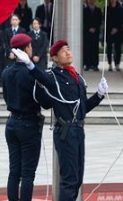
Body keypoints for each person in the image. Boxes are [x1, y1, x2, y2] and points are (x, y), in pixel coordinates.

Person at [11, 40, 107, 201]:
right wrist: (30, 65)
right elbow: (42, 78)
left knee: (77, 179)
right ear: (55, 58)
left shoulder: (77, 77)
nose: (68, 53)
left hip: (78, 130)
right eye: (63, 51)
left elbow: (82, 108)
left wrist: (99, 95)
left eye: (68, 49)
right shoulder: (53, 76)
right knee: (69, 180)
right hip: (65, 131)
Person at [2, 33, 44, 201]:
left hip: (12, 122)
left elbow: (6, 97)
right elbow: (45, 101)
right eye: (30, 46)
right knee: (27, 174)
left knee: (14, 172)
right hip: (28, 124)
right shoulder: (30, 73)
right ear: (26, 49)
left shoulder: (6, 72)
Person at [82, 0, 102, 71]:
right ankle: (87, 64)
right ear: (88, 0)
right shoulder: (84, 10)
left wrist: (95, 28)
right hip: (87, 32)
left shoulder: (98, 10)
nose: (91, 0)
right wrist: (89, 28)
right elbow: (83, 21)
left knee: (95, 49)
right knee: (87, 48)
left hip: (95, 32)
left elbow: (100, 21)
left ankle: (95, 65)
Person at [104, 0, 123, 72]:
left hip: (118, 31)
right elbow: (105, 21)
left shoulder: (120, 9)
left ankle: (117, 64)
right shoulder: (107, 9)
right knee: (109, 48)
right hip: (109, 31)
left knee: (118, 48)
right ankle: (110, 64)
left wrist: (116, 29)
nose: (113, 0)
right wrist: (110, 30)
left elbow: (121, 20)